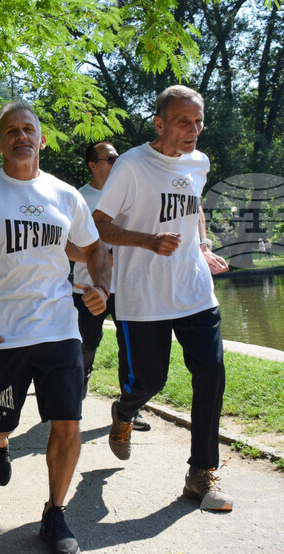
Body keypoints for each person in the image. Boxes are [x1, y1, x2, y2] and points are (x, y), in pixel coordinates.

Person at [0, 101, 110, 554]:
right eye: (12, 131)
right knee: (1, 423)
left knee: (67, 425)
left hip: (59, 330)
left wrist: (101, 287)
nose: (21, 136)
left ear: (40, 139)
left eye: (29, 129)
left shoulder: (65, 195)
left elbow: (94, 250)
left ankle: (54, 513)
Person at [93, 84, 233, 512]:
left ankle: (200, 473)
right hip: (143, 298)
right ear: (159, 123)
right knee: (149, 381)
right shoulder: (133, 165)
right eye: (183, 122)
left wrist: (203, 245)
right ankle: (125, 411)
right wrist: (149, 241)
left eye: (198, 122)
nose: (194, 130)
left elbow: (194, 207)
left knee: (211, 373)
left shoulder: (199, 162)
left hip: (194, 290)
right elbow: (100, 224)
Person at [73, 143, 152, 432]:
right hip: (89, 287)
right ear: (93, 165)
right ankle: (81, 379)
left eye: (119, 158)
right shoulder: (80, 197)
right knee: (87, 344)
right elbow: (65, 246)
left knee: (129, 348)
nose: (117, 162)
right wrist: (101, 258)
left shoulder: (131, 194)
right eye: (110, 159)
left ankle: (130, 408)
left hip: (128, 287)